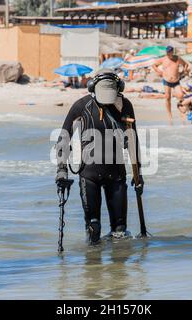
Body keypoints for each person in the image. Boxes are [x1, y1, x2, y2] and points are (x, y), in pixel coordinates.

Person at [55, 68, 144, 245]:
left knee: (115, 231)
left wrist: (138, 173)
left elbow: (132, 140)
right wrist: (62, 170)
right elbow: (64, 138)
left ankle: (108, 268)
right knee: (98, 228)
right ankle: (102, 269)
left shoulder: (121, 106)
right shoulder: (84, 106)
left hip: (110, 175)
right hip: (94, 176)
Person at [152, 46, 188, 125]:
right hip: (166, 80)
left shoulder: (177, 58)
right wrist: (159, 71)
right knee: (167, 97)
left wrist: (183, 72)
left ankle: (182, 113)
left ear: (172, 51)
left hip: (176, 81)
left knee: (181, 95)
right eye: (167, 52)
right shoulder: (163, 59)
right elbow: (154, 65)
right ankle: (170, 115)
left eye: (170, 52)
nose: (168, 54)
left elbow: (185, 64)